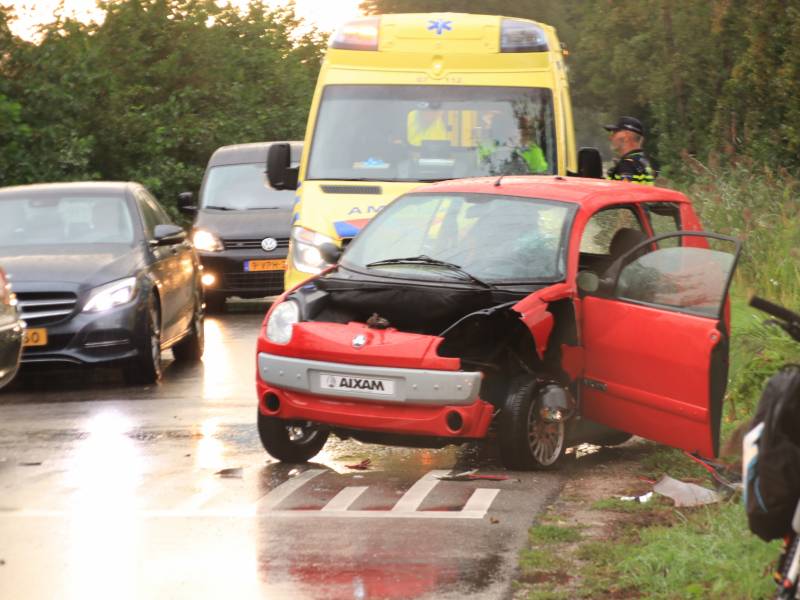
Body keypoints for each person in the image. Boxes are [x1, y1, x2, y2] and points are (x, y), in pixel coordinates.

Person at [604, 116, 656, 185]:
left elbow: (625, 195)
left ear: (626, 137)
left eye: (614, 133)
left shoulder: (627, 165)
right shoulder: (643, 161)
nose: (610, 138)